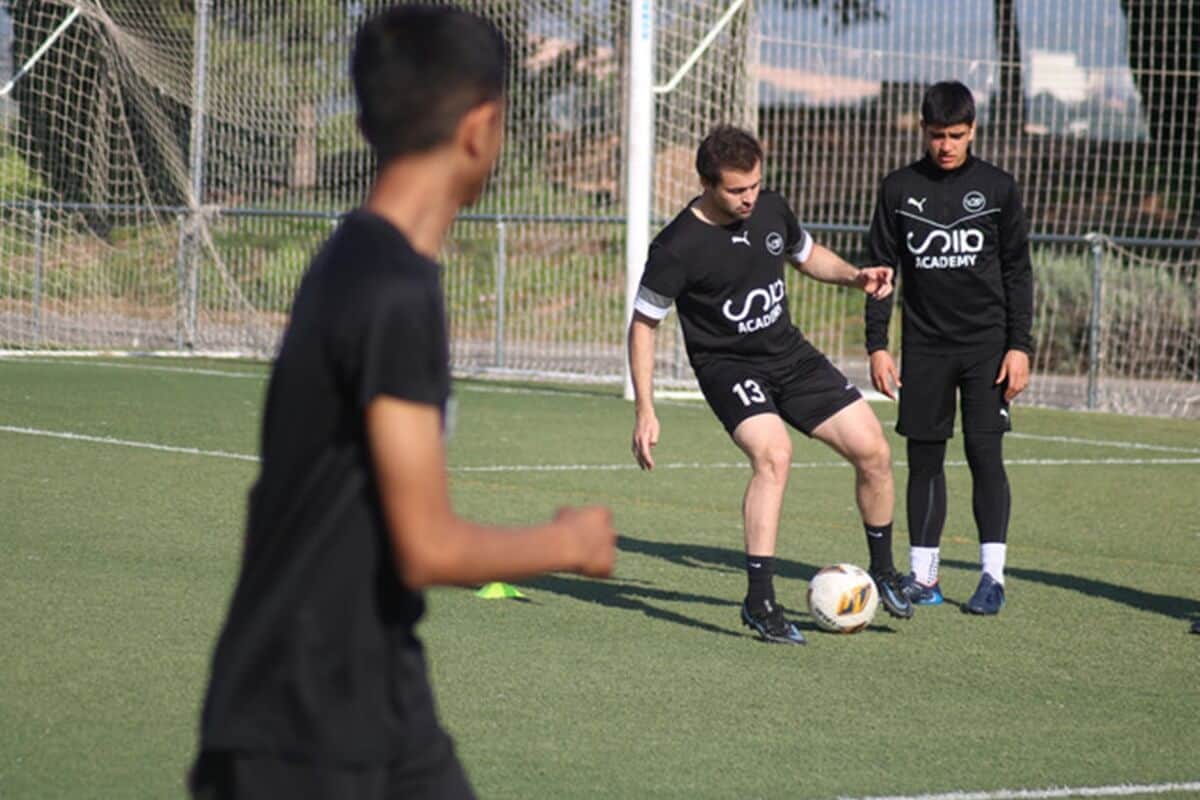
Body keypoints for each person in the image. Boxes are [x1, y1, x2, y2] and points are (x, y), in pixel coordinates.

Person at [189, 7, 616, 799]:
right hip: (307, 725)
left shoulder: (353, 260)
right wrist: (568, 542)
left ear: (364, 123)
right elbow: (427, 547)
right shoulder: (394, 290)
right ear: (481, 127)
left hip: (370, 692)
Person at [628, 124, 914, 646]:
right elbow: (644, 324)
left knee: (873, 449)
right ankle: (759, 602)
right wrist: (645, 408)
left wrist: (855, 276)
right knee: (775, 455)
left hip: (790, 355)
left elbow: (807, 256)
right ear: (706, 184)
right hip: (729, 368)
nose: (749, 198)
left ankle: (884, 571)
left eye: (755, 185)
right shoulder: (676, 246)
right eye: (737, 189)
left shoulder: (771, 209)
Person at [866, 80, 1033, 616]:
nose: (946, 145)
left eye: (956, 135)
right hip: (925, 347)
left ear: (973, 131)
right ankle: (924, 577)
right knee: (924, 459)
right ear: (923, 130)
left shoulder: (998, 188)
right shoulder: (898, 189)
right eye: (937, 135)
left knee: (985, 454)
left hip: (987, 348)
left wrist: (1019, 346)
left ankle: (992, 578)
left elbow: (1018, 272)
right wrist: (877, 345)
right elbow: (880, 272)